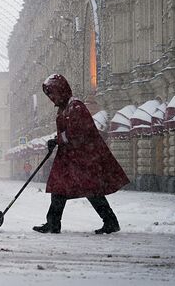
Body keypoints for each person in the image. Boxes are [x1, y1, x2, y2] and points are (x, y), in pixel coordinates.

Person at [33, 74, 129, 234]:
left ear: (61, 90)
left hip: (84, 157)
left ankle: (110, 221)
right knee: (59, 188)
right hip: (70, 157)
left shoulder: (75, 106)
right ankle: (53, 223)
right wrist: (56, 140)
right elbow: (67, 132)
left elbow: (78, 132)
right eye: (49, 95)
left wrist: (59, 140)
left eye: (52, 93)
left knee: (91, 190)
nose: (51, 98)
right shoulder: (65, 108)